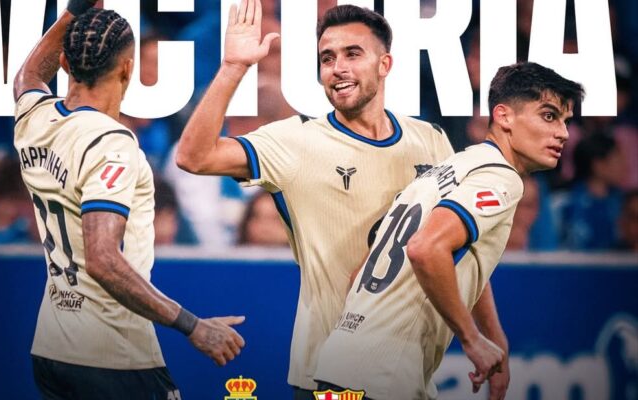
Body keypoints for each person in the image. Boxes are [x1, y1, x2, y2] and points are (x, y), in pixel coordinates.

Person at [176, 1, 508, 397]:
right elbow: (193, 157)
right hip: (328, 377)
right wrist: (234, 67)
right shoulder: (296, 142)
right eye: (327, 58)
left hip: (406, 375)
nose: (338, 68)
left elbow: (463, 252)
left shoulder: (431, 140)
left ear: (385, 64)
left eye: (353, 54)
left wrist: (494, 340)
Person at [12, 2, 244, 398]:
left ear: (65, 63)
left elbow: (29, 74)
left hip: (52, 351)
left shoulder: (34, 118)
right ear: (127, 69)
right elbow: (102, 258)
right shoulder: (111, 144)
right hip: (113, 356)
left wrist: (74, 10)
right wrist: (193, 326)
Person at [313, 62, 584, 400]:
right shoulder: (500, 178)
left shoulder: (445, 169)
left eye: (565, 121)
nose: (563, 133)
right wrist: (472, 339)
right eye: (549, 116)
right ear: (503, 116)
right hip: (384, 376)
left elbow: (361, 273)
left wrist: (494, 337)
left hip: (339, 364)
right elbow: (426, 249)